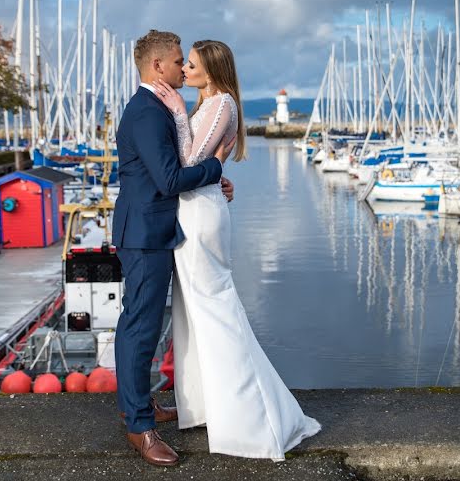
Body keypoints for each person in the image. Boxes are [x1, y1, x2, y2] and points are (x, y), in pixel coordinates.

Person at [152, 39, 320, 462]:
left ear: (211, 70)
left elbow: (190, 163)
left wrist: (174, 113)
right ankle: (208, 406)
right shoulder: (206, 105)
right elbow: (202, 165)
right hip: (195, 209)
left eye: (191, 64)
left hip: (201, 216)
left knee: (215, 310)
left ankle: (251, 418)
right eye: (184, 63)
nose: (184, 70)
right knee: (192, 312)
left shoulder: (221, 103)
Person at [112, 30, 236, 467]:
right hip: (145, 234)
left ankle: (142, 407)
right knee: (140, 328)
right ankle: (139, 427)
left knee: (144, 325)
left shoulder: (155, 107)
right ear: (157, 66)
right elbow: (168, 179)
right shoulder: (147, 113)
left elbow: (173, 170)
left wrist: (211, 177)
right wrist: (215, 165)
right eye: (178, 60)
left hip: (155, 230)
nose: (183, 67)